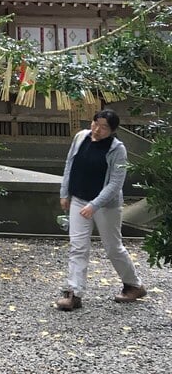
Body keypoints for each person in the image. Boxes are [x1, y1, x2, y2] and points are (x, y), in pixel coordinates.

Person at [55, 108, 146, 311]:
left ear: (112, 130)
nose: (97, 129)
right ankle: (74, 293)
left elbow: (115, 183)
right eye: (96, 123)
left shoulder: (117, 149)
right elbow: (70, 164)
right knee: (78, 246)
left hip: (106, 205)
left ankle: (134, 284)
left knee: (113, 247)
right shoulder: (80, 137)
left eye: (104, 127)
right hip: (79, 199)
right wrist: (64, 192)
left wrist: (94, 204)